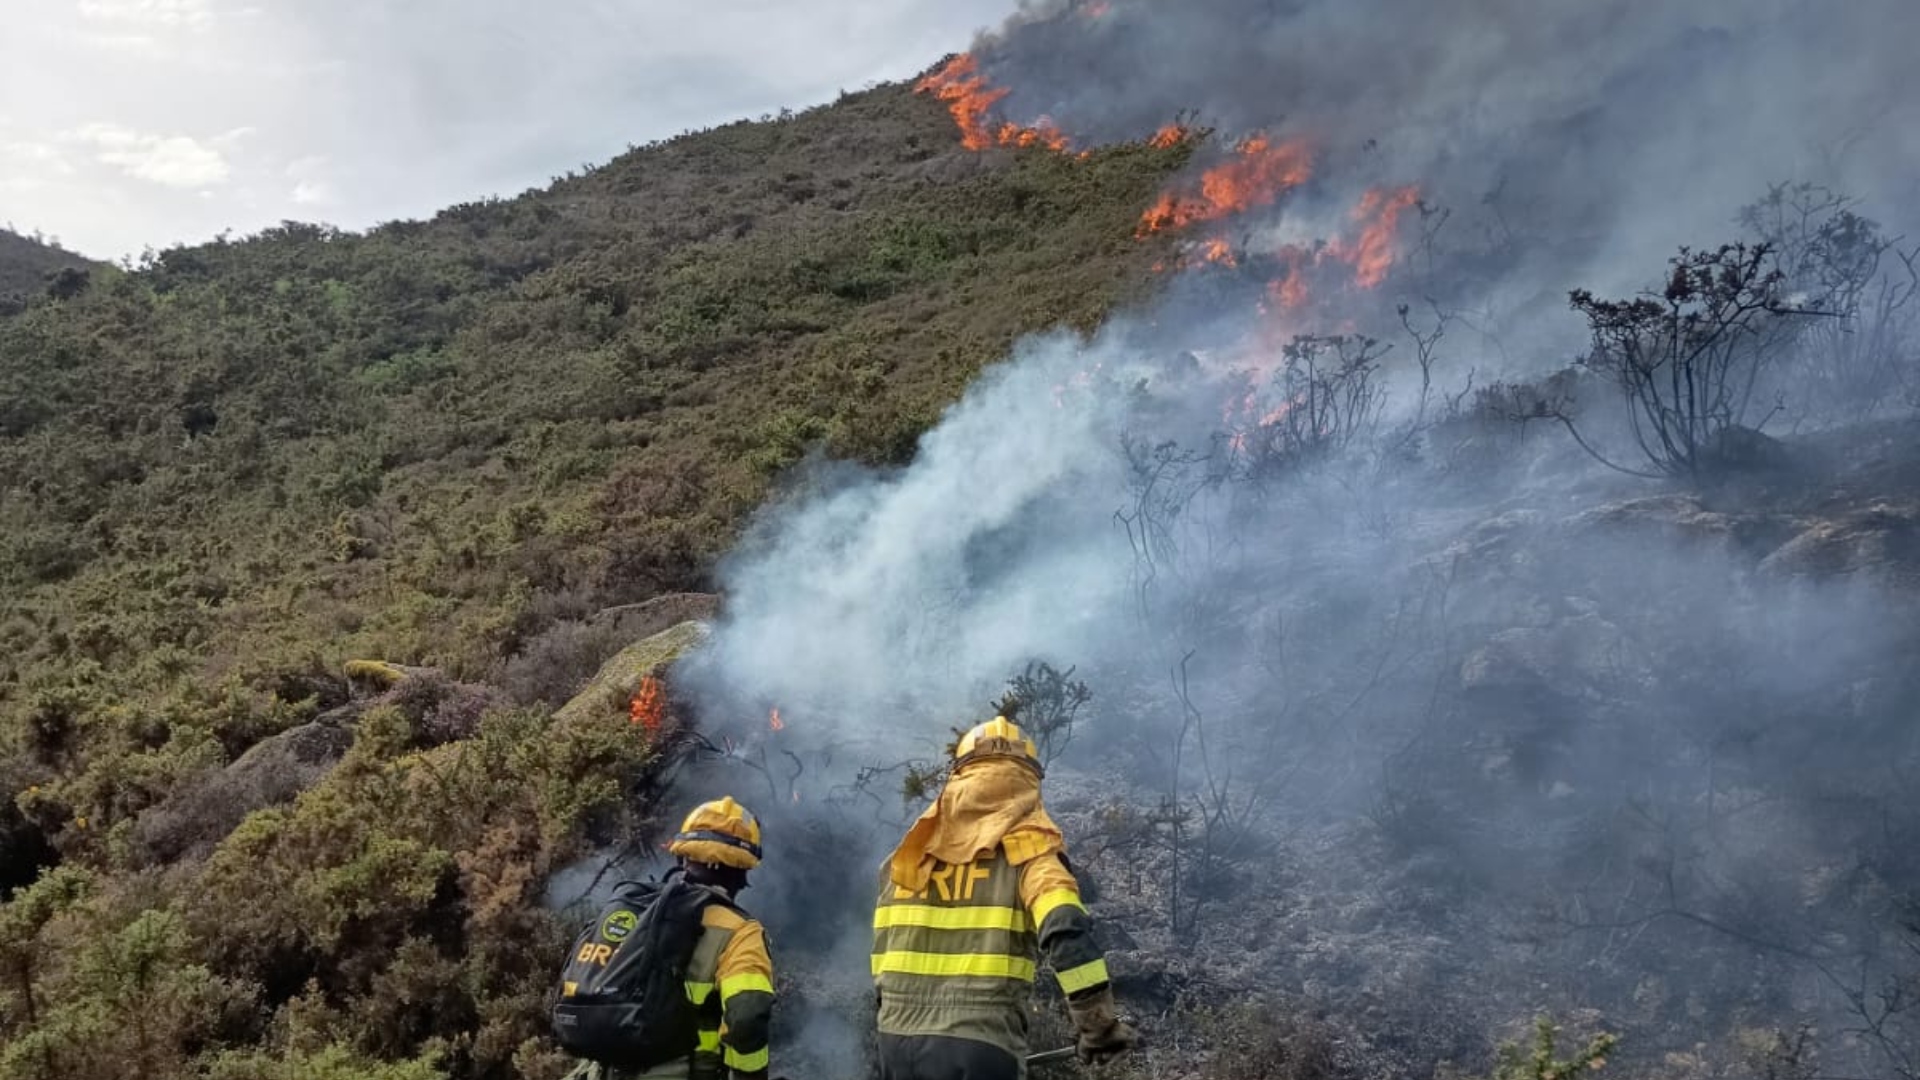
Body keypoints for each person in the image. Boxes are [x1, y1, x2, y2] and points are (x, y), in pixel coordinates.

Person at [872, 717, 1136, 1079]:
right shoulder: (1032, 855)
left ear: (959, 776)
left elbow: (883, 959)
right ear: (1027, 782)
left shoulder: (907, 858)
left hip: (896, 1043)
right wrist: (1098, 1028)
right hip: (981, 1044)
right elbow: (1065, 930)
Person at [558, 796, 775, 1080]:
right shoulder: (740, 932)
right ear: (742, 869)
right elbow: (747, 1016)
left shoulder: (636, 910)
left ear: (683, 856)